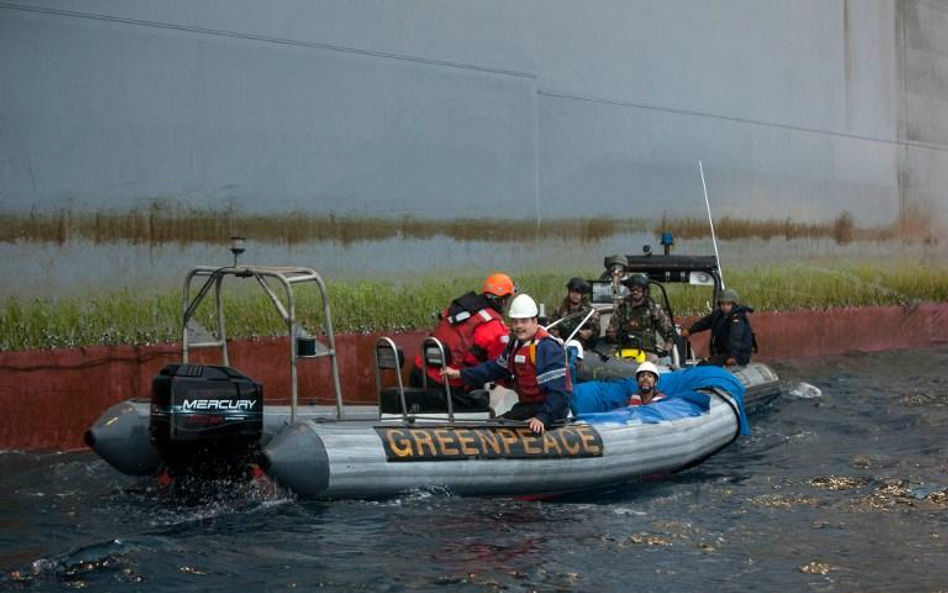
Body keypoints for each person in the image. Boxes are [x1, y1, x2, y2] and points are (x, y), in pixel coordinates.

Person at [442, 294, 570, 434]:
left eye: (524, 321)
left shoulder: (548, 348)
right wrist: (460, 374)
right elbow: (493, 369)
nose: (519, 326)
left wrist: (543, 417)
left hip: (550, 411)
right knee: (493, 427)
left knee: (503, 428)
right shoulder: (515, 344)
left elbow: (558, 391)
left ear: (534, 321)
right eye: (515, 322)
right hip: (527, 407)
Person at [412, 272, 514, 393]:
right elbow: (498, 367)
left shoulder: (460, 307)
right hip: (447, 382)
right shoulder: (493, 327)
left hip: (419, 370)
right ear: (501, 301)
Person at [605, 273, 676, 361]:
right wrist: (619, 337)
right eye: (632, 289)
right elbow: (610, 334)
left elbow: (670, 334)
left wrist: (665, 350)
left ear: (645, 291)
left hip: (647, 354)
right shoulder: (621, 309)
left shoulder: (654, 309)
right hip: (624, 352)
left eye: (638, 289)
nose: (635, 292)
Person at [680, 288, 755, 366]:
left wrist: (733, 357)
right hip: (724, 353)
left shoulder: (737, 318)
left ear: (734, 305)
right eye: (722, 304)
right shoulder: (719, 315)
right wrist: (690, 330)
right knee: (702, 365)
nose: (725, 307)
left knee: (705, 366)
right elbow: (705, 322)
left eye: (728, 304)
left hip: (738, 354)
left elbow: (735, 337)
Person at [548, 276, 600, 348]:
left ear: (582, 295)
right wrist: (557, 337)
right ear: (569, 292)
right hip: (562, 346)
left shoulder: (590, 312)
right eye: (573, 291)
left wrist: (589, 333)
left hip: (584, 349)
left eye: (578, 292)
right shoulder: (560, 310)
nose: (575, 295)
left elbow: (596, 330)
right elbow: (552, 328)